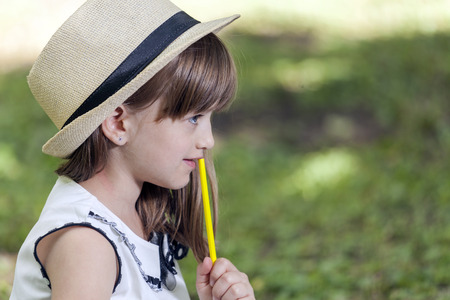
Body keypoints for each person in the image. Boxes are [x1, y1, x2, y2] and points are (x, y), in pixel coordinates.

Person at [10, 0, 255, 299]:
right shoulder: (87, 246)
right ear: (118, 124)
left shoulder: (139, 211)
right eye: (193, 118)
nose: (209, 140)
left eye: (209, 117)